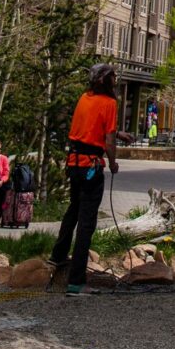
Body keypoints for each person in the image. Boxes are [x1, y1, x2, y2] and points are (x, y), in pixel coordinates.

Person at [50, 63, 119, 295]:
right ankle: (76, 281)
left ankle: (57, 256)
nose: (116, 81)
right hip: (92, 166)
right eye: (113, 77)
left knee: (73, 210)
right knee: (86, 222)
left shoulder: (84, 98)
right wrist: (113, 162)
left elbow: (90, 126)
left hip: (74, 162)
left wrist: (118, 133)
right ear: (105, 81)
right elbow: (108, 141)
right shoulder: (110, 103)